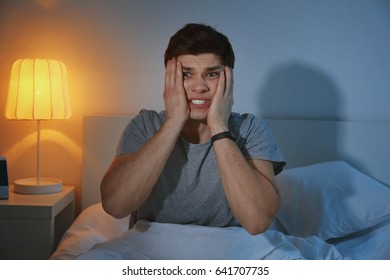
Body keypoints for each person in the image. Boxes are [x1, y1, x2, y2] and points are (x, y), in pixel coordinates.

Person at [100, 23, 286, 235]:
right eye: (187, 74)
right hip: (153, 250)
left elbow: (257, 222)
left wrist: (219, 127)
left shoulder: (251, 129)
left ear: (228, 79)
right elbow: (115, 206)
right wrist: (174, 120)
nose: (199, 87)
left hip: (230, 251)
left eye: (212, 74)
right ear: (169, 78)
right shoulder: (145, 125)